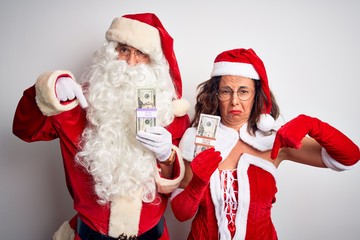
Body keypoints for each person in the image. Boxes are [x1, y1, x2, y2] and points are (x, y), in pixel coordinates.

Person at [12, 13, 191, 240]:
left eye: (141, 54)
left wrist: (166, 156)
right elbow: (24, 130)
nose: (131, 62)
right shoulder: (75, 104)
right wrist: (50, 89)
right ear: (110, 53)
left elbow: (175, 189)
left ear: (154, 63)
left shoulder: (170, 114)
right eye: (124, 50)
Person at [170, 48, 360, 240]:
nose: (235, 101)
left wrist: (312, 124)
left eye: (244, 91)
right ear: (215, 95)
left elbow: (349, 158)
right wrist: (197, 184)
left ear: (256, 95)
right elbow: (180, 214)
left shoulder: (273, 141)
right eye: (226, 91)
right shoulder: (198, 138)